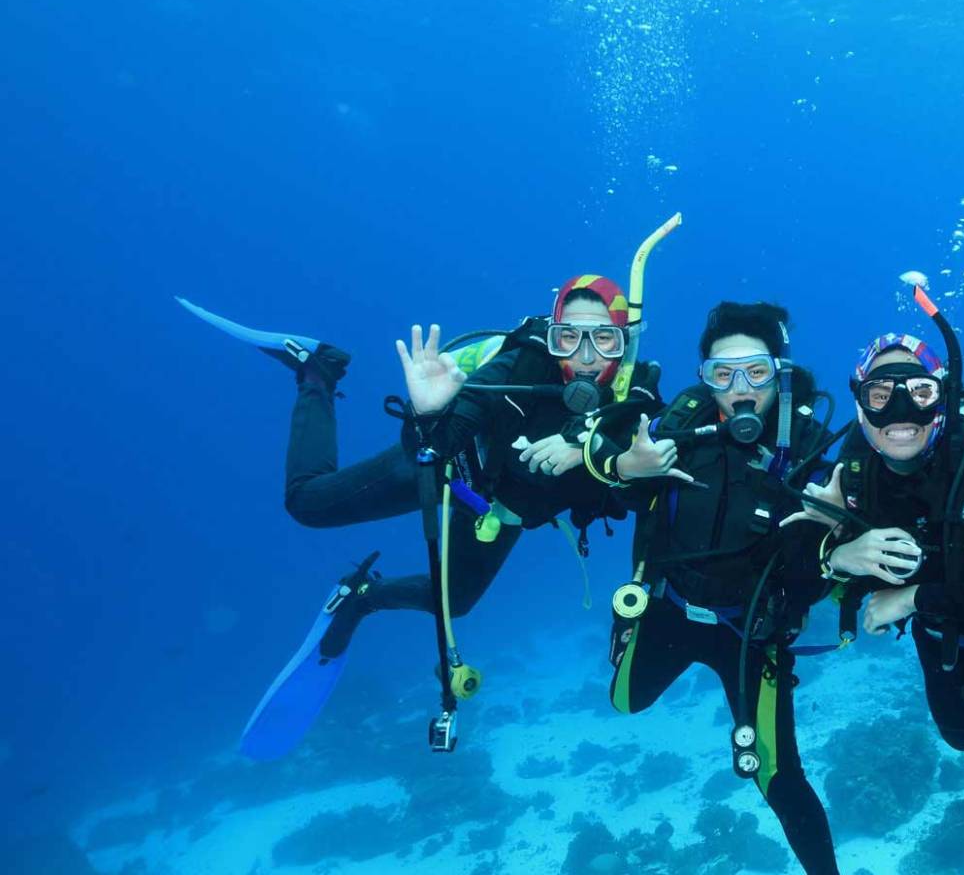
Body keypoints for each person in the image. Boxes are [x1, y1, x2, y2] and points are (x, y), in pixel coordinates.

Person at [186, 271, 667, 759]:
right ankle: (317, 371)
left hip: (500, 511)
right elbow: (432, 448)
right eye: (569, 338)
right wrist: (428, 416)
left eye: (604, 339)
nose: (586, 358)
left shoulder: (637, 394)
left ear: (624, 341)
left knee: (455, 602)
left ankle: (362, 597)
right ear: (551, 335)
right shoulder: (516, 368)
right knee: (307, 504)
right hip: (452, 474)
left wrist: (615, 461)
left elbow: (644, 498)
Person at [590, 302, 843, 875]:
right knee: (624, 702)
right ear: (704, 378)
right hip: (671, 612)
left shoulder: (808, 450)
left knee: (776, 775)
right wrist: (628, 467)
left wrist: (833, 533)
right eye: (721, 375)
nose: (739, 391)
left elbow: (817, 573)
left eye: (756, 372)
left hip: (752, 630)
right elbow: (609, 488)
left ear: (779, 372)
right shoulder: (672, 428)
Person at [804, 327, 964, 875]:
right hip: (941, 639)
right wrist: (838, 553)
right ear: (860, 399)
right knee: (961, 737)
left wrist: (918, 593)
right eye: (879, 394)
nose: (899, 410)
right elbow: (790, 573)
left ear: (941, 394)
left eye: (917, 391)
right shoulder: (850, 474)